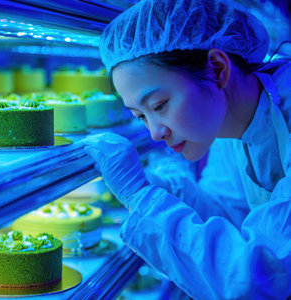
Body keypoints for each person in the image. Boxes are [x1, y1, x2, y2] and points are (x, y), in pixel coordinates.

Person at [81, 0, 291, 298]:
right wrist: (169, 190)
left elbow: (261, 278)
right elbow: (230, 214)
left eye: (160, 105)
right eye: (141, 116)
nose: (155, 133)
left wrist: (140, 195)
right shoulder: (234, 124)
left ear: (218, 68)